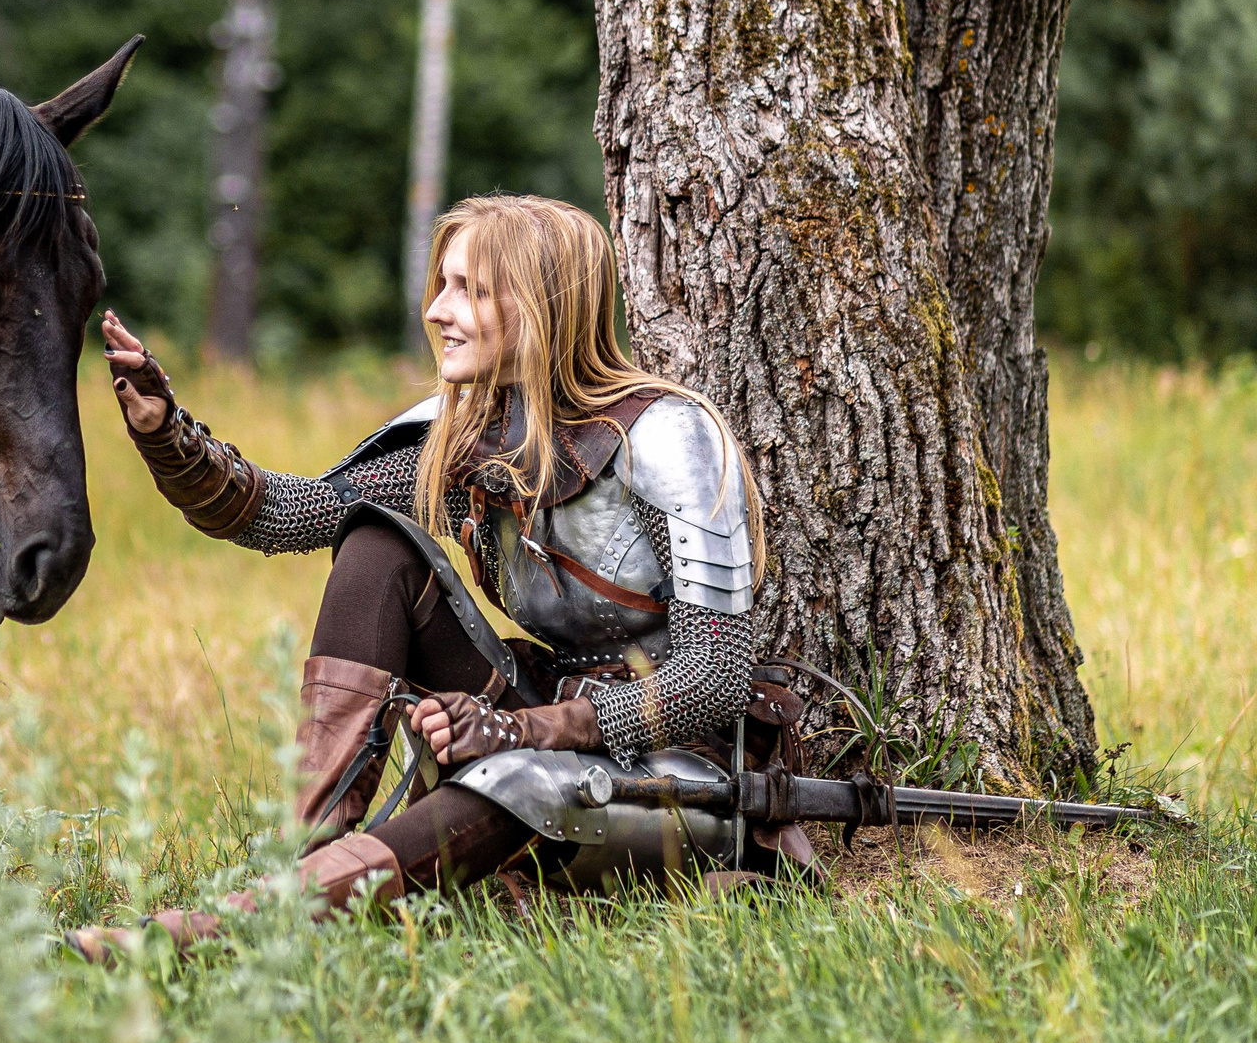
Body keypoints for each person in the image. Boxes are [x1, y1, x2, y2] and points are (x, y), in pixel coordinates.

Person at [69, 194, 766, 958]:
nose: (437, 310)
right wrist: (169, 436)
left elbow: (716, 676)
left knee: (521, 777)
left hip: (676, 770)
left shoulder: (668, 438)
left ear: (542, 305)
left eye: (471, 289)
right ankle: (307, 867)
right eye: (443, 284)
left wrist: (525, 729)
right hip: (543, 714)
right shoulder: (470, 437)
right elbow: (290, 514)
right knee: (377, 544)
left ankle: (226, 930)